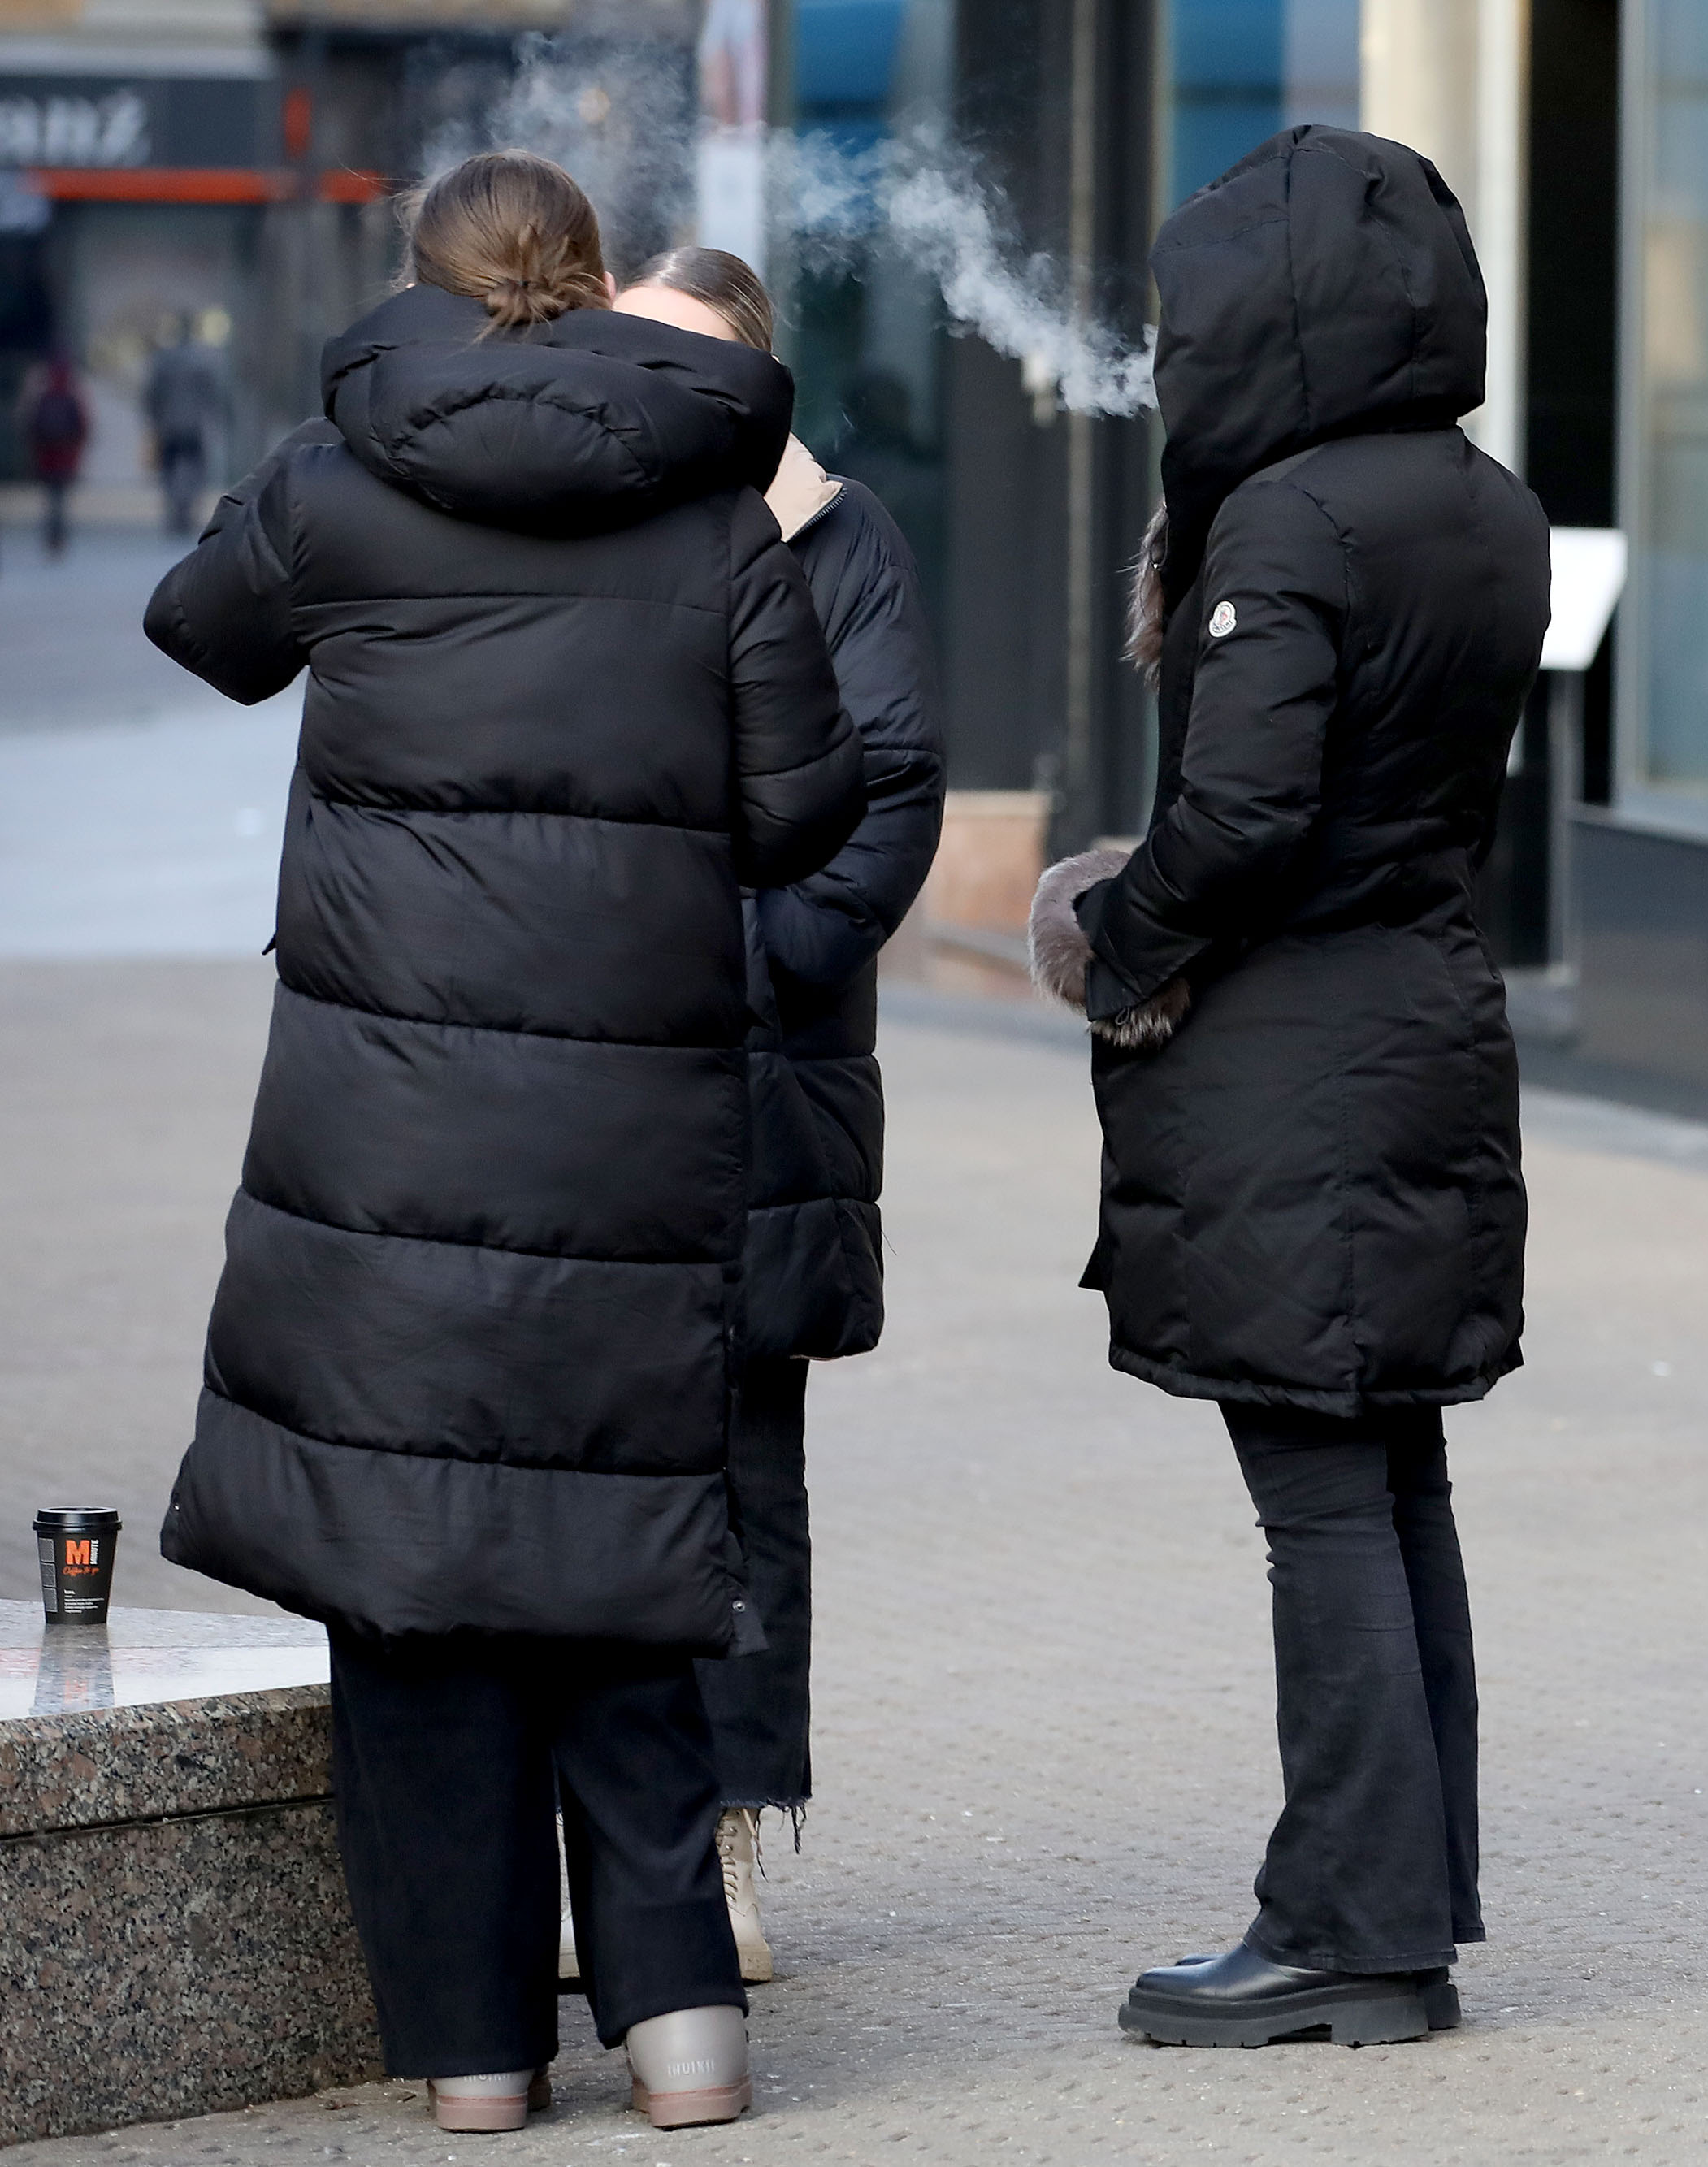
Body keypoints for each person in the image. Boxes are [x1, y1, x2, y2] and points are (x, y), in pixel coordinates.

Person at [144, 150, 862, 2130]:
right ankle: (687, 2039)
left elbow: (194, 624)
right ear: (601, 287)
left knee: (416, 1592)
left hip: (383, 1144)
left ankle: (473, 2063)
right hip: (631, 1128)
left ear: (427, 284)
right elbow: (801, 807)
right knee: (618, 1565)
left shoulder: (334, 480)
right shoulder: (711, 507)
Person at [1025, 124, 1548, 2049]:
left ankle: (1344, 1926)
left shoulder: (1288, 522)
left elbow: (1241, 814)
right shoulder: (1480, 503)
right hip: (1424, 1024)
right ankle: (1395, 1908)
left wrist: (1115, 929)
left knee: (1323, 1499)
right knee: (1388, 1478)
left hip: (1298, 1065)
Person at [612, 245, 945, 1981]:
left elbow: (887, 802)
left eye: (693, 361)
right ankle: (604, 1846)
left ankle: (729, 1843)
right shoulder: (579, 521)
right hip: (583, 1087)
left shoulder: (841, 538)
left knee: (743, 1472)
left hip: (759, 1080)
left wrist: (735, 958)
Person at [142, 316, 226, 536]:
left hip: (169, 424)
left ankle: (174, 511)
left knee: (169, 470)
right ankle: (186, 511)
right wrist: (212, 416)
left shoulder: (165, 360)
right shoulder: (202, 361)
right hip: (193, 424)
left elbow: (152, 393)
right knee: (194, 469)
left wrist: (154, 417)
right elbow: (212, 394)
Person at [18, 356, 87, 557]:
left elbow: (30, 427)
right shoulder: (72, 395)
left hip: (47, 457)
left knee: (51, 498)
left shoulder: (42, 396)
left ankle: (52, 535)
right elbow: (83, 427)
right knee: (60, 499)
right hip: (66, 456)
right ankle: (59, 535)